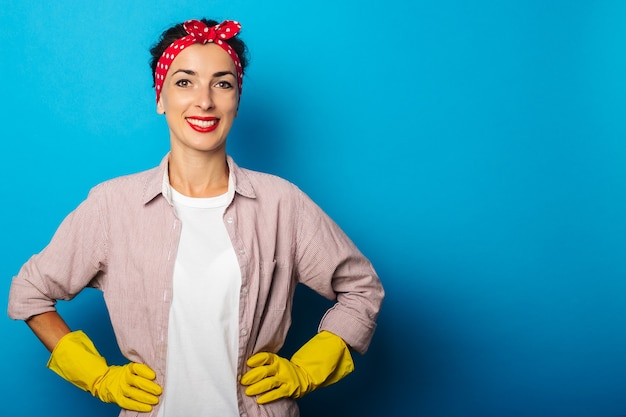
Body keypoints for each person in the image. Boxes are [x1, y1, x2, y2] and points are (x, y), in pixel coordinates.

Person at [8, 17, 384, 417]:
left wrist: (306, 370)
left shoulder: (282, 204)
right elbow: (29, 293)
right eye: (184, 81)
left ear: (236, 102)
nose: (204, 101)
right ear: (160, 97)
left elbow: (362, 289)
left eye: (222, 83)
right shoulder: (111, 205)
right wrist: (99, 377)